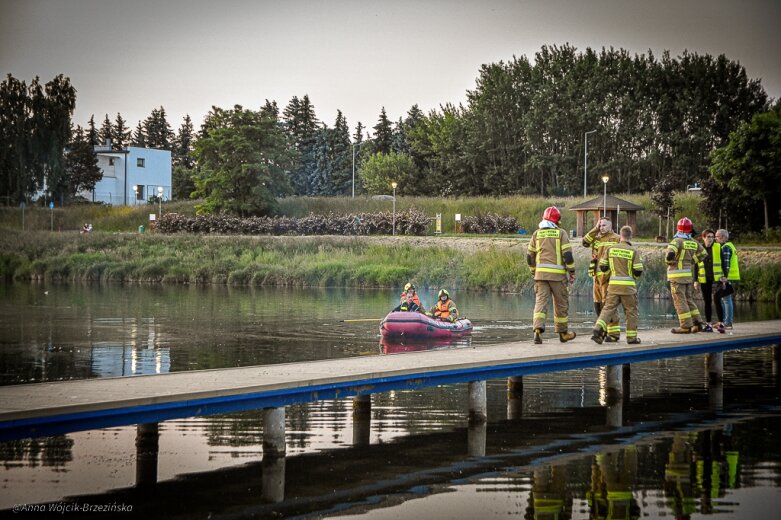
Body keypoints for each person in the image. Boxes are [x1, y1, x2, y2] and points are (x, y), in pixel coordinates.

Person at [527, 206, 577, 344]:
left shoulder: (536, 234)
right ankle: (563, 333)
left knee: (540, 303)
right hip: (558, 277)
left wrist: (533, 271)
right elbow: (567, 255)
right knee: (561, 304)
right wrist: (571, 272)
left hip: (540, 276)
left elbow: (529, 256)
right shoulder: (561, 233)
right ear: (557, 220)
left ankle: (537, 330)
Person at [590, 226, 644, 344]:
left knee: (608, 309)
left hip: (613, 286)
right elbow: (638, 270)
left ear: (620, 235)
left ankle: (597, 329)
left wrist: (611, 271)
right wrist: (633, 276)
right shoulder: (633, 251)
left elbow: (603, 266)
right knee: (630, 311)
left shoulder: (611, 249)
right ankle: (631, 338)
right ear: (630, 236)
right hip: (628, 288)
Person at [666, 217, 707, 333]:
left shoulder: (677, 241)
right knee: (689, 300)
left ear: (678, 228)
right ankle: (698, 323)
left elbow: (670, 254)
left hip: (676, 278)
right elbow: (704, 253)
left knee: (680, 301)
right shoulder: (694, 242)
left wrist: (670, 260)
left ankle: (685, 326)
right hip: (688, 277)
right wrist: (692, 261)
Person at [582, 217, 621, 341]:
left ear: (610, 226)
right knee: (598, 305)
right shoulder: (596, 238)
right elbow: (584, 242)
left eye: (604, 225)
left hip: (610, 277)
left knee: (608, 305)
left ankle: (614, 334)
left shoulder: (617, 238)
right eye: (600, 225)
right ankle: (602, 331)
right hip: (597, 278)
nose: (602, 227)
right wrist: (595, 229)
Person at [694, 229, 724, 332]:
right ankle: (709, 325)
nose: (711, 239)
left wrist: (725, 276)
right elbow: (696, 266)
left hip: (717, 279)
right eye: (708, 237)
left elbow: (724, 263)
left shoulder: (718, 247)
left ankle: (721, 324)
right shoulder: (699, 249)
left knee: (717, 301)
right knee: (707, 302)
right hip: (704, 279)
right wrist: (695, 280)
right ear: (703, 237)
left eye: (712, 237)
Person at [715, 229, 740, 329]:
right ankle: (725, 321)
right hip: (730, 276)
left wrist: (725, 278)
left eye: (716, 237)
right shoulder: (730, 246)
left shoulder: (725, 247)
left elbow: (726, 264)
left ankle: (728, 323)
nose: (715, 239)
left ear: (723, 237)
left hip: (728, 277)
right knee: (725, 299)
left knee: (726, 299)